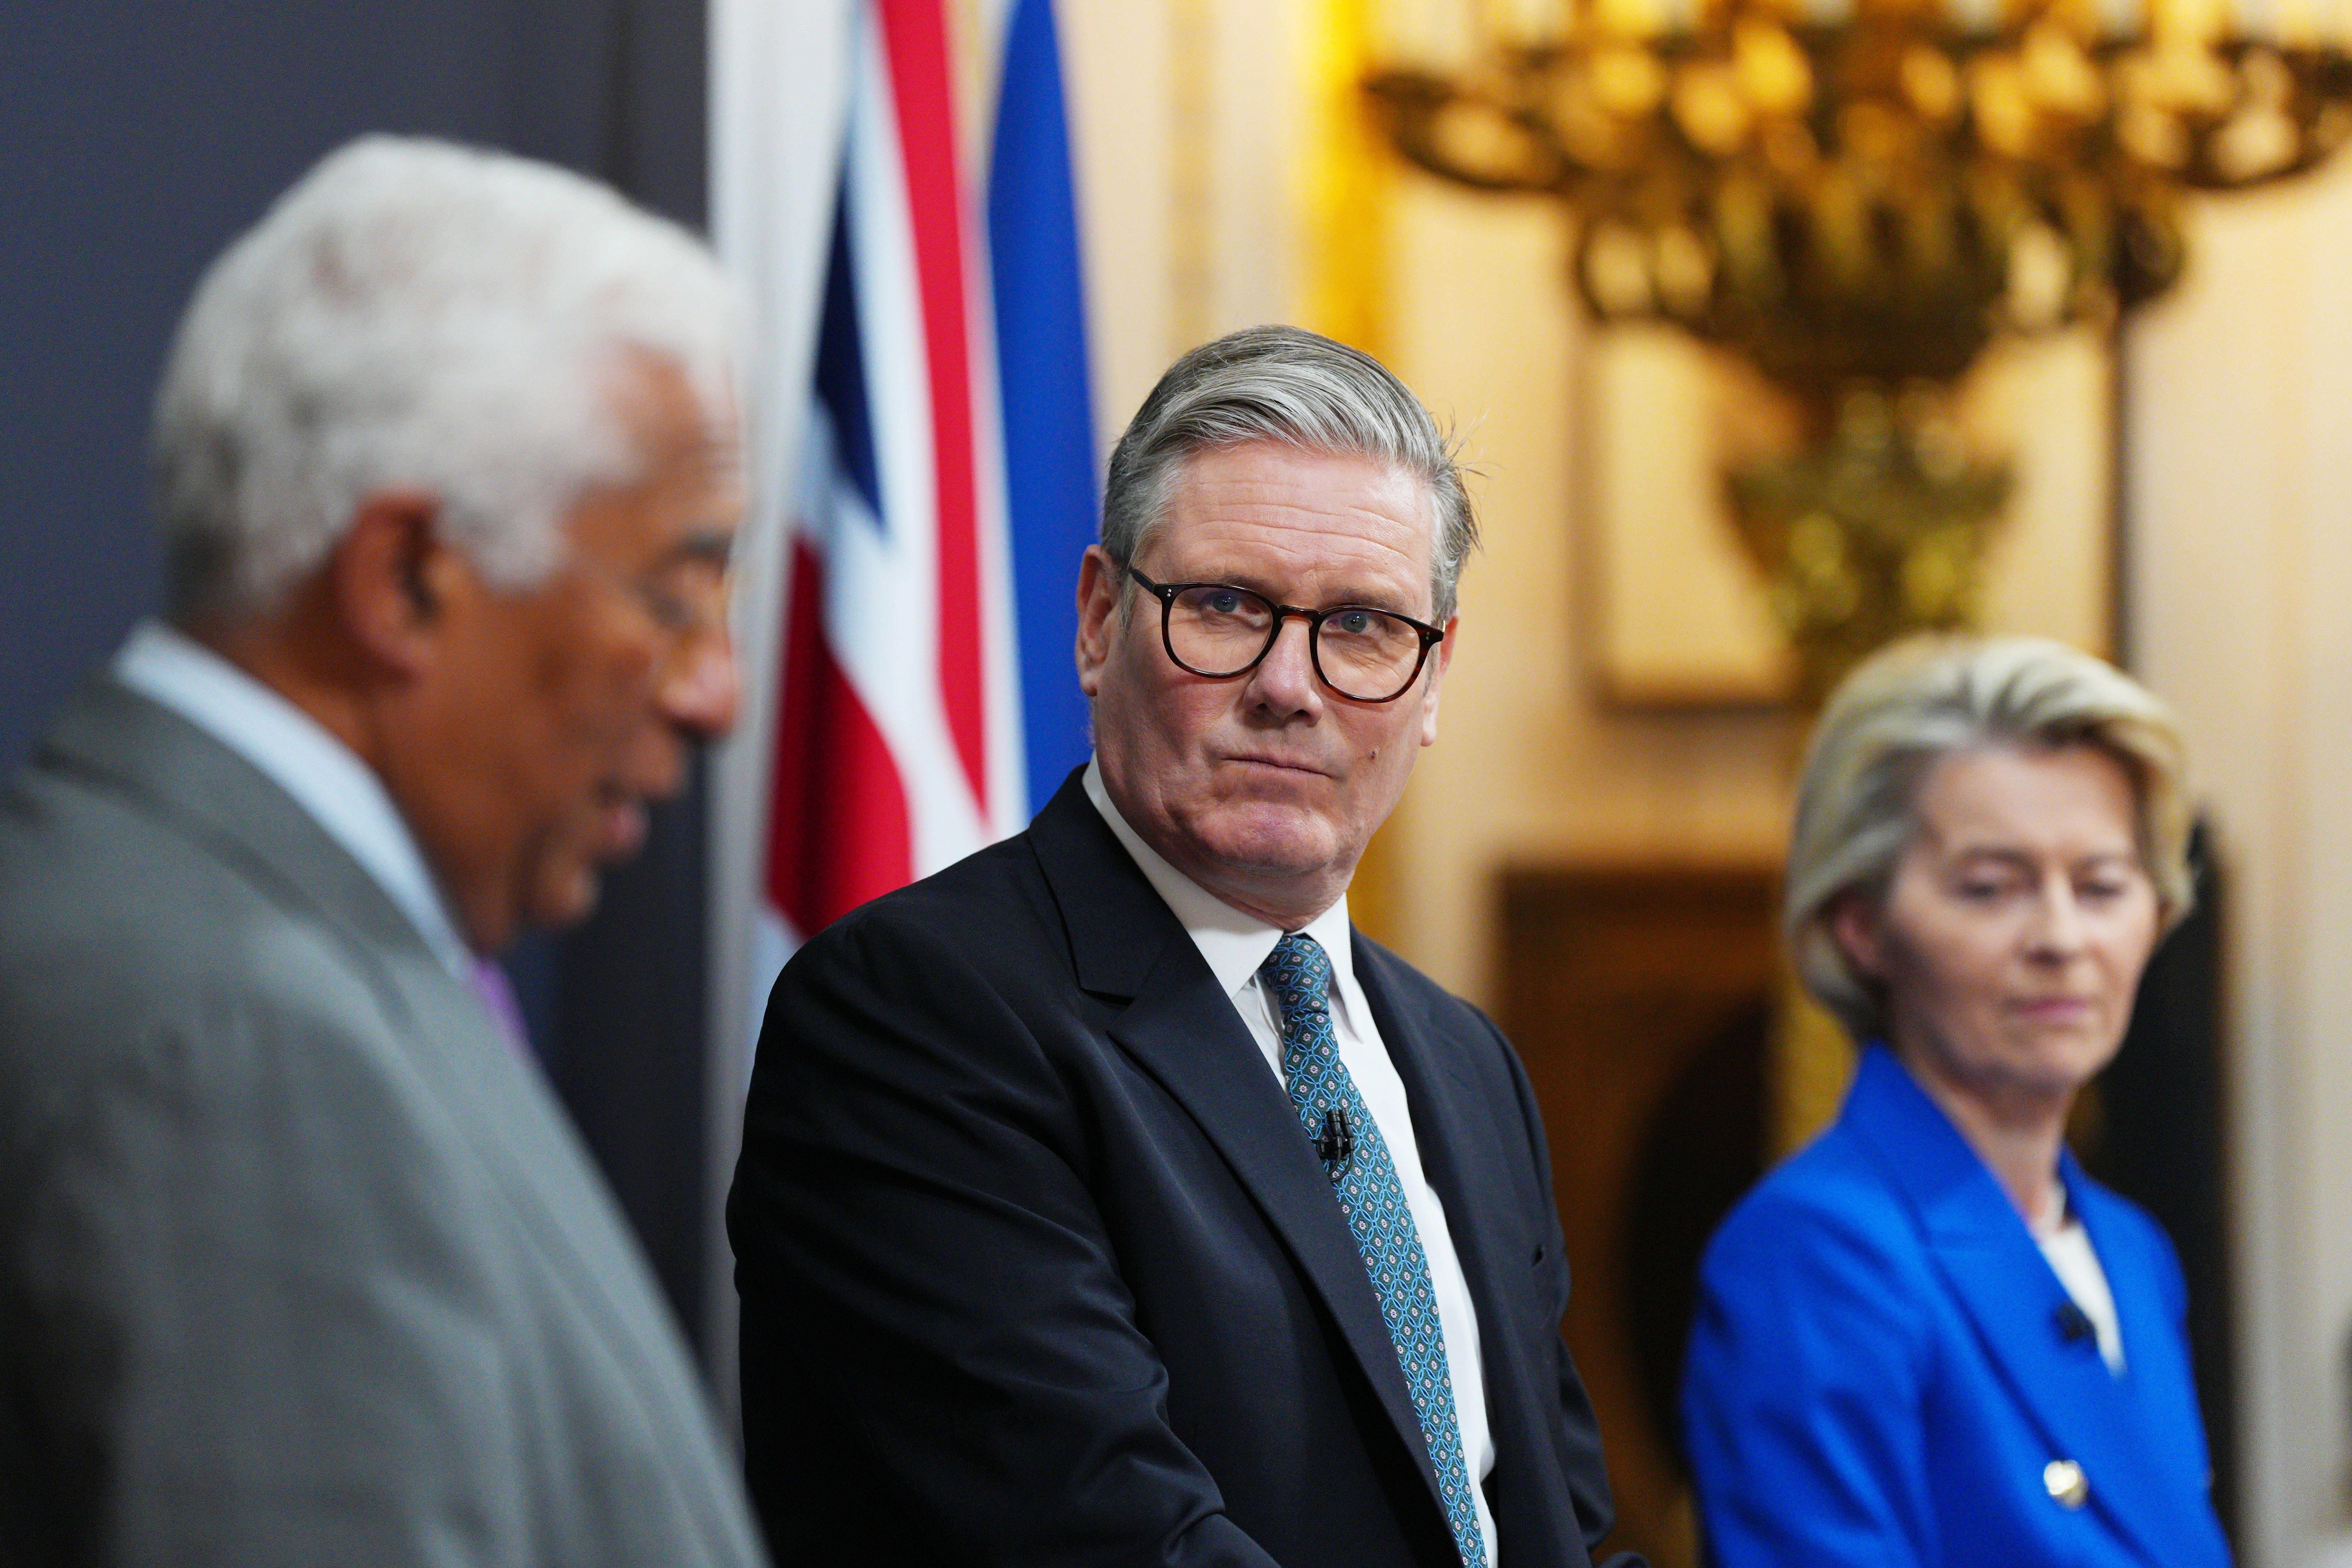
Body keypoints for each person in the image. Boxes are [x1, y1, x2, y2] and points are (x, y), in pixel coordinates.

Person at [729, 325, 1639, 1568]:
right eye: (1224, 606)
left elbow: (1556, 1538)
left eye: (1364, 626)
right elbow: (1106, 1539)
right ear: (1100, 620)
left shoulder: (1464, 1063)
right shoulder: (915, 1013)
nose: (1287, 683)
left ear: (1432, 680)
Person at [0, 137, 766, 1566]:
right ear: (405, 581)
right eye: (674, 592)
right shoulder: (240, 1045)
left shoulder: (263, 951)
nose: (712, 691)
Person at [1679, 635, 2231, 1567]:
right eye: (1991, 887)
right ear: (1862, 925)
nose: (2061, 937)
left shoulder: (2134, 1252)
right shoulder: (1816, 1253)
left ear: (2158, 914)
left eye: (2100, 885)